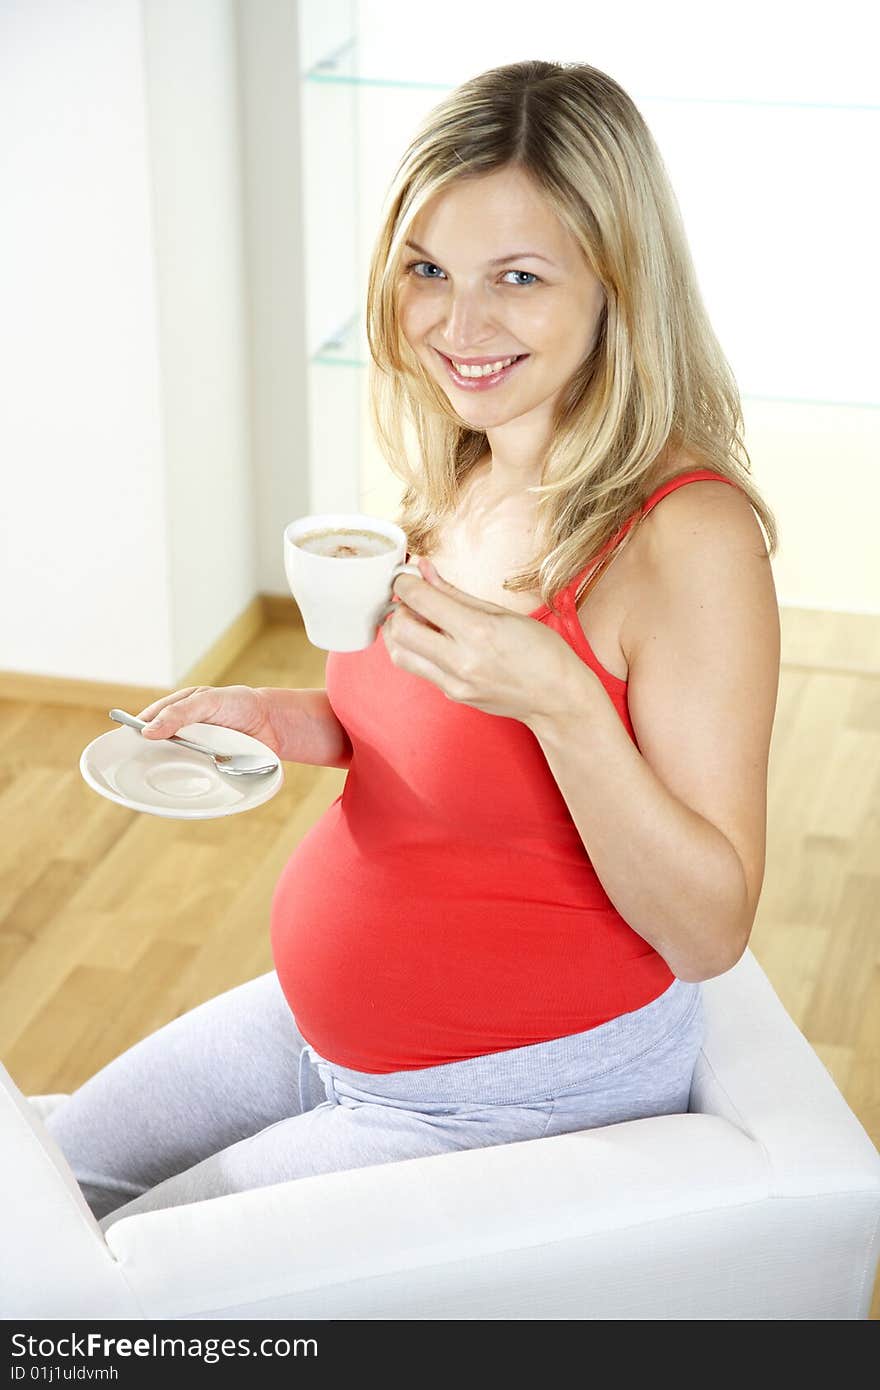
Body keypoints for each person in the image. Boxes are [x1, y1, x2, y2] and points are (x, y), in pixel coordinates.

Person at [46, 59, 780, 1233]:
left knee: (107, 1284)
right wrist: (288, 717)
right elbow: (451, 742)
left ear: (619, 287)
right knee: (39, 1190)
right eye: (428, 270)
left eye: (519, 278)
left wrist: (565, 705)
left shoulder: (689, 538)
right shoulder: (467, 461)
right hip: (323, 1024)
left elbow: (707, 928)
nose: (457, 324)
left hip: (504, 1091)